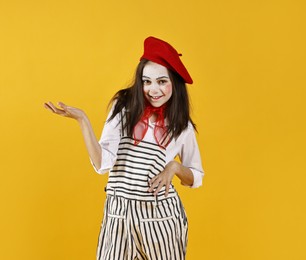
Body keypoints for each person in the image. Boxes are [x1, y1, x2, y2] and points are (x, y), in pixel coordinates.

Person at [44, 36, 204, 260]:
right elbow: (102, 164)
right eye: (146, 81)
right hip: (118, 215)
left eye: (161, 81)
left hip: (160, 217)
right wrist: (82, 120)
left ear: (174, 82)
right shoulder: (123, 109)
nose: (153, 89)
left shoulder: (181, 126)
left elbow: (195, 176)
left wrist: (174, 168)